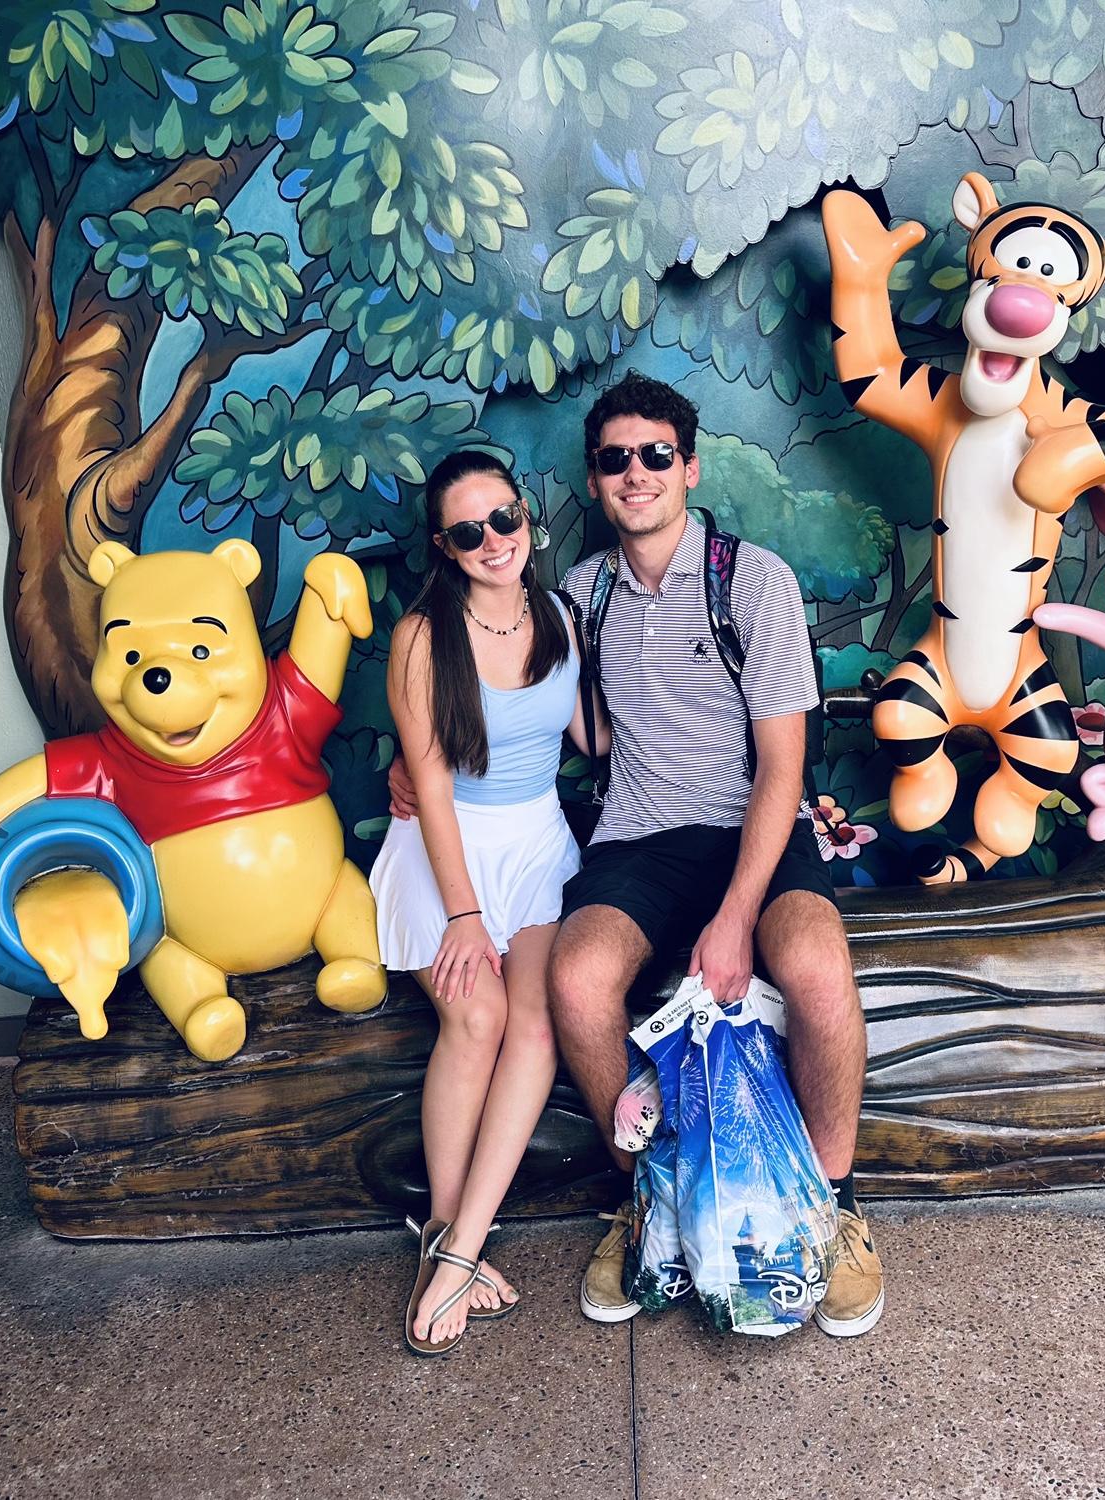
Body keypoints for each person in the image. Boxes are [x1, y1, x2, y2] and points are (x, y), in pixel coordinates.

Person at [391, 372, 883, 1338]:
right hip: (638, 837)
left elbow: (783, 769)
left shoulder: (755, 582)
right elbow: (503, 700)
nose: (636, 473)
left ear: (689, 468)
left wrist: (736, 916)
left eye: (656, 454)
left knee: (818, 968)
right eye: (614, 459)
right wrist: (411, 768)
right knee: (576, 981)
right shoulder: (579, 597)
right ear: (593, 479)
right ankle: (651, 1197)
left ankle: (834, 1207)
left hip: (754, 829)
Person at [369, 450, 605, 1357]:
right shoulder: (421, 638)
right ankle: (445, 1233)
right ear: (445, 546)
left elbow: (592, 735)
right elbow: (428, 784)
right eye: (469, 532)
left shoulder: (559, 616)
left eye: (505, 518)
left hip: (536, 843)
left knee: (536, 1027)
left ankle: (460, 1248)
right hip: (447, 847)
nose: (494, 540)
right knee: (477, 1018)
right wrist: (464, 915)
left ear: (526, 517)